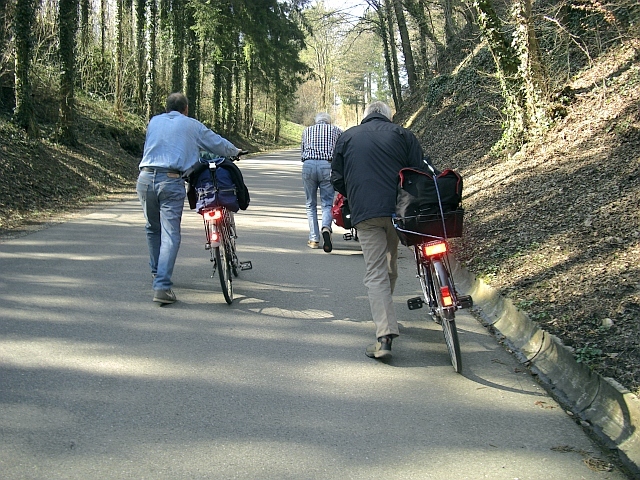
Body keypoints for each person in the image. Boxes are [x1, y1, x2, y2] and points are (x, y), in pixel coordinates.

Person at [331, 101, 426, 359]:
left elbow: (336, 178)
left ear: (366, 116)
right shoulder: (403, 135)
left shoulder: (347, 137)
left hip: (366, 213)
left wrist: (355, 194)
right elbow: (419, 171)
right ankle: (386, 319)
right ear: (387, 116)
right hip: (399, 211)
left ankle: (384, 336)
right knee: (390, 267)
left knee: (376, 272)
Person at [137, 92, 241, 304]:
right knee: (170, 233)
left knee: (152, 228)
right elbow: (217, 144)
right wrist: (235, 150)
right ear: (185, 109)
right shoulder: (192, 125)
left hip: (145, 178)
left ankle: (157, 273)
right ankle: (162, 287)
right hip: (171, 180)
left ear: (167, 108)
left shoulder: (154, 121)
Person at [301, 112, 342, 252]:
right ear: (328, 122)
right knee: (327, 202)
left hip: (308, 165)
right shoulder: (336, 130)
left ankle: (314, 239)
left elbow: (302, 151)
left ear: (316, 121)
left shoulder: (307, 130)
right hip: (327, 166)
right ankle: (326, 227)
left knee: (310, 203)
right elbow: (340, 150)